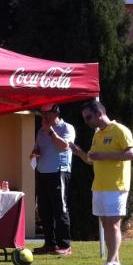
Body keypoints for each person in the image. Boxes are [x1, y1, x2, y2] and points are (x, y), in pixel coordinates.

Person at [70, 100, 133, 265]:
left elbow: (131, 154)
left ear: (99, 113)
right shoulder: (97, 134)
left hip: (116, 186)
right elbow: (91, 160)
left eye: (89, 117)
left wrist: (104, 156)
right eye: (84, 119)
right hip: (99, 186)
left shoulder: (120, 130)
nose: (87, 121)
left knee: (113, 225)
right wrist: (80, 153)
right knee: (107, 226)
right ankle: (115, 264)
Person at [30, 104, 76, 256]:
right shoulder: (40, 131)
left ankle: (65, 245)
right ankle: (50, 244)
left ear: (56, 113)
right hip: (42, 173)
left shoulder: (67, 128)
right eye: (42, 113)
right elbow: (37, 149)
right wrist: (34, 153)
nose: (44, 116)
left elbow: (64, 146)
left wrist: (50, 131)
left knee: (60, 208)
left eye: (47, 113)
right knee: (44, 210)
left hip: (59, 172)